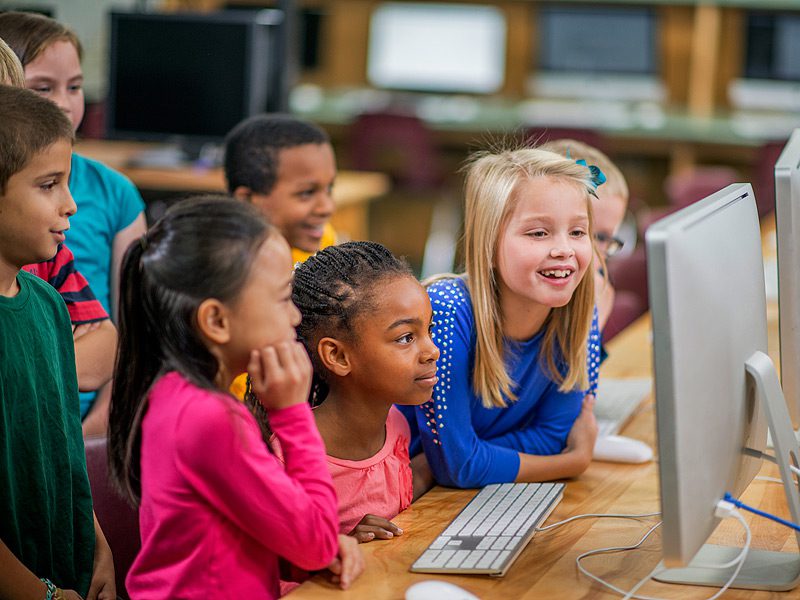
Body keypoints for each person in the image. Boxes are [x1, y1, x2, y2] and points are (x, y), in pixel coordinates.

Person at [107, 196, 363, 598]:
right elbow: (314, 539)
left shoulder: (176, 394)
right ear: (216, 321)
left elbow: (246, 526)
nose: (295, 316)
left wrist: (310, 551)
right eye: (282, 298)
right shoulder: (209, 417)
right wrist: (292, 413)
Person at [400, 146, 602, 488]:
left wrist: (466, 457)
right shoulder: (445, 311)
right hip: (395, 504)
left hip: (446, 495)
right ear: (489, 245)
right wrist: (572, 461)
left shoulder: (580, 315)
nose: (565, 249)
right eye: (538, 233)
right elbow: (458, 467)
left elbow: (554, 436)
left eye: (577, 232)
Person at [0, 11, 147, 425]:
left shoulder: (54, 256)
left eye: (76, 87)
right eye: (41, 89)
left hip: (72, 422)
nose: (63, 103)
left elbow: (118, 341)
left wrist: (97, 427)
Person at [0, 84, 115, 600]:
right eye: (49, 185)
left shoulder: (47, 304)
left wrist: (97, 544)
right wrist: (38, 593)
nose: (70, 205)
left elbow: (63, 443)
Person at [291, 241, 440, 541]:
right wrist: (339, 547)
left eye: (429, 330)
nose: (432, 351)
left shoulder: (395, 425)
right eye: (405, 338)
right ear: (338, 356)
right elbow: (273, 574)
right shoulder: (291, 460)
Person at [224, 113, 337, 398]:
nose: (326, 207)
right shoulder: (225, 271)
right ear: (248, 200)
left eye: (329, 189)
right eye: (307, 193)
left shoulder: (324, 241)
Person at [540, 138, 630, 331]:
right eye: (578, 232)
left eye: (602, 238)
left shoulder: (598, 295)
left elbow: (581, 361)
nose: (588, 249)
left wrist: (590, 319)